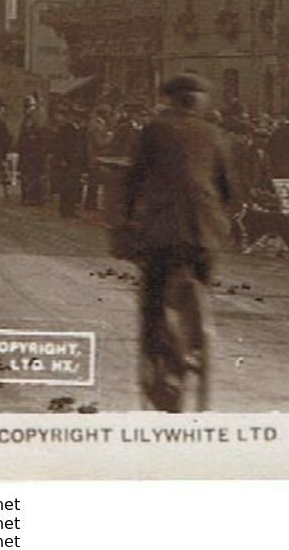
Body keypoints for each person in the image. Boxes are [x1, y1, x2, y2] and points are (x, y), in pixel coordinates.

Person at [116, 74, 236, 412]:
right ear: (199, 102)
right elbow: (228, 189)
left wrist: (126, 221)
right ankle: (196, 338)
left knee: (152, 300)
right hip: (205, 234)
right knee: (201, 281)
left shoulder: (154, 131)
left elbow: (133, 179)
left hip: (162, 231)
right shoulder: (215, 134)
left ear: (170, 100)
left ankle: (163, 363)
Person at [16, 95, 49, 205]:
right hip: (28, 151)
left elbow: (40, 135)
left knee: (34, 175)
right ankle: (29, 197)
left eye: (29, 106)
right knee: (28, 175)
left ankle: (34, 197)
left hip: (34, 152)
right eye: (26, 106)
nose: (26, 109)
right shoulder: (28, 118)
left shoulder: (36, 117)